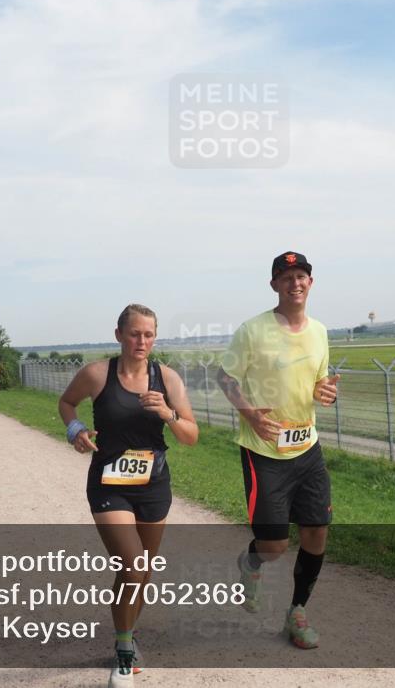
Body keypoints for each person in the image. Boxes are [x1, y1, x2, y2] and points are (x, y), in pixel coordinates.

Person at [58, 304, 198, 687]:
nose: (141, 341)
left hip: (153, 486)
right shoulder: (96, 374)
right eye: (134, 333)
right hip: (109, 484)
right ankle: (123, 650)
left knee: (141, 572)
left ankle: (128, 632)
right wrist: (75, 430)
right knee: (133, 565)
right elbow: (66, 403)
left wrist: (168, 414)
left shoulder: (167, 379)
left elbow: (191, 435)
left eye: (149, 334)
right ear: (119, 334)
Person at [216, 251, 340, 649]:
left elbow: (321, 384)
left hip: (307, 449)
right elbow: (225, 377)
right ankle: (251, 561)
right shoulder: (253, 331)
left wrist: (328, 394)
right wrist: (250, 413)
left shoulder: (320, 331)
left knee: (316, 532)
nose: (295, 282)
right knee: (273, 547)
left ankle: (297, 612)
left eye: (302, 275)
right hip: (264, 452)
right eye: (286, 277)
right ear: (274, 284)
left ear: (311, 282)